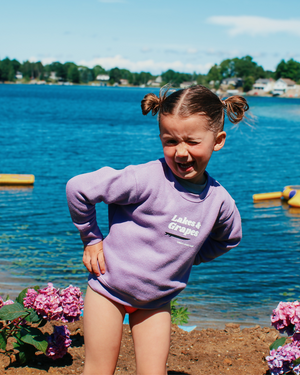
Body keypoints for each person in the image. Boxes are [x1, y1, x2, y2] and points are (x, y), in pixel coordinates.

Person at [66, 84, 249, 375]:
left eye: (192, 141)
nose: (181, 152)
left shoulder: (220, 202)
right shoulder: (145, 179)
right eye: (170, 141)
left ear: (218, 140)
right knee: (99, 370)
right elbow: (78, 189)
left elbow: (229, 238)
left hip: (155, 302)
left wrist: (189, 254)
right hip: (107, 289)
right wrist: (91, 239)